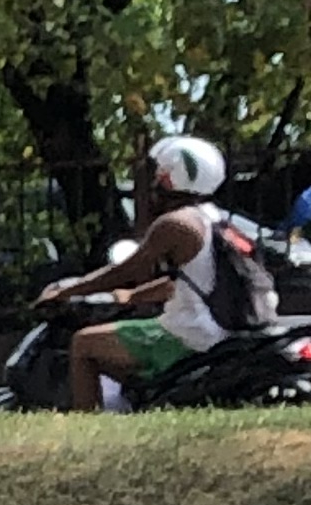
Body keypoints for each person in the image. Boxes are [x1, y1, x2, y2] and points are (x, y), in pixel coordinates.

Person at [37, 135, 264, 407]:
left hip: (187, 335)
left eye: (160, 173)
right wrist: (131, 298)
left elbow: (127, 269)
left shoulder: (175, 223)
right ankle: (142, 403)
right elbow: (184, 283)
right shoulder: (218, 220)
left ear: (172, 175)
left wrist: (67, 291)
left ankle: (87, 426)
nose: (155, 181)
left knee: (84, 344)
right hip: (222, 331)